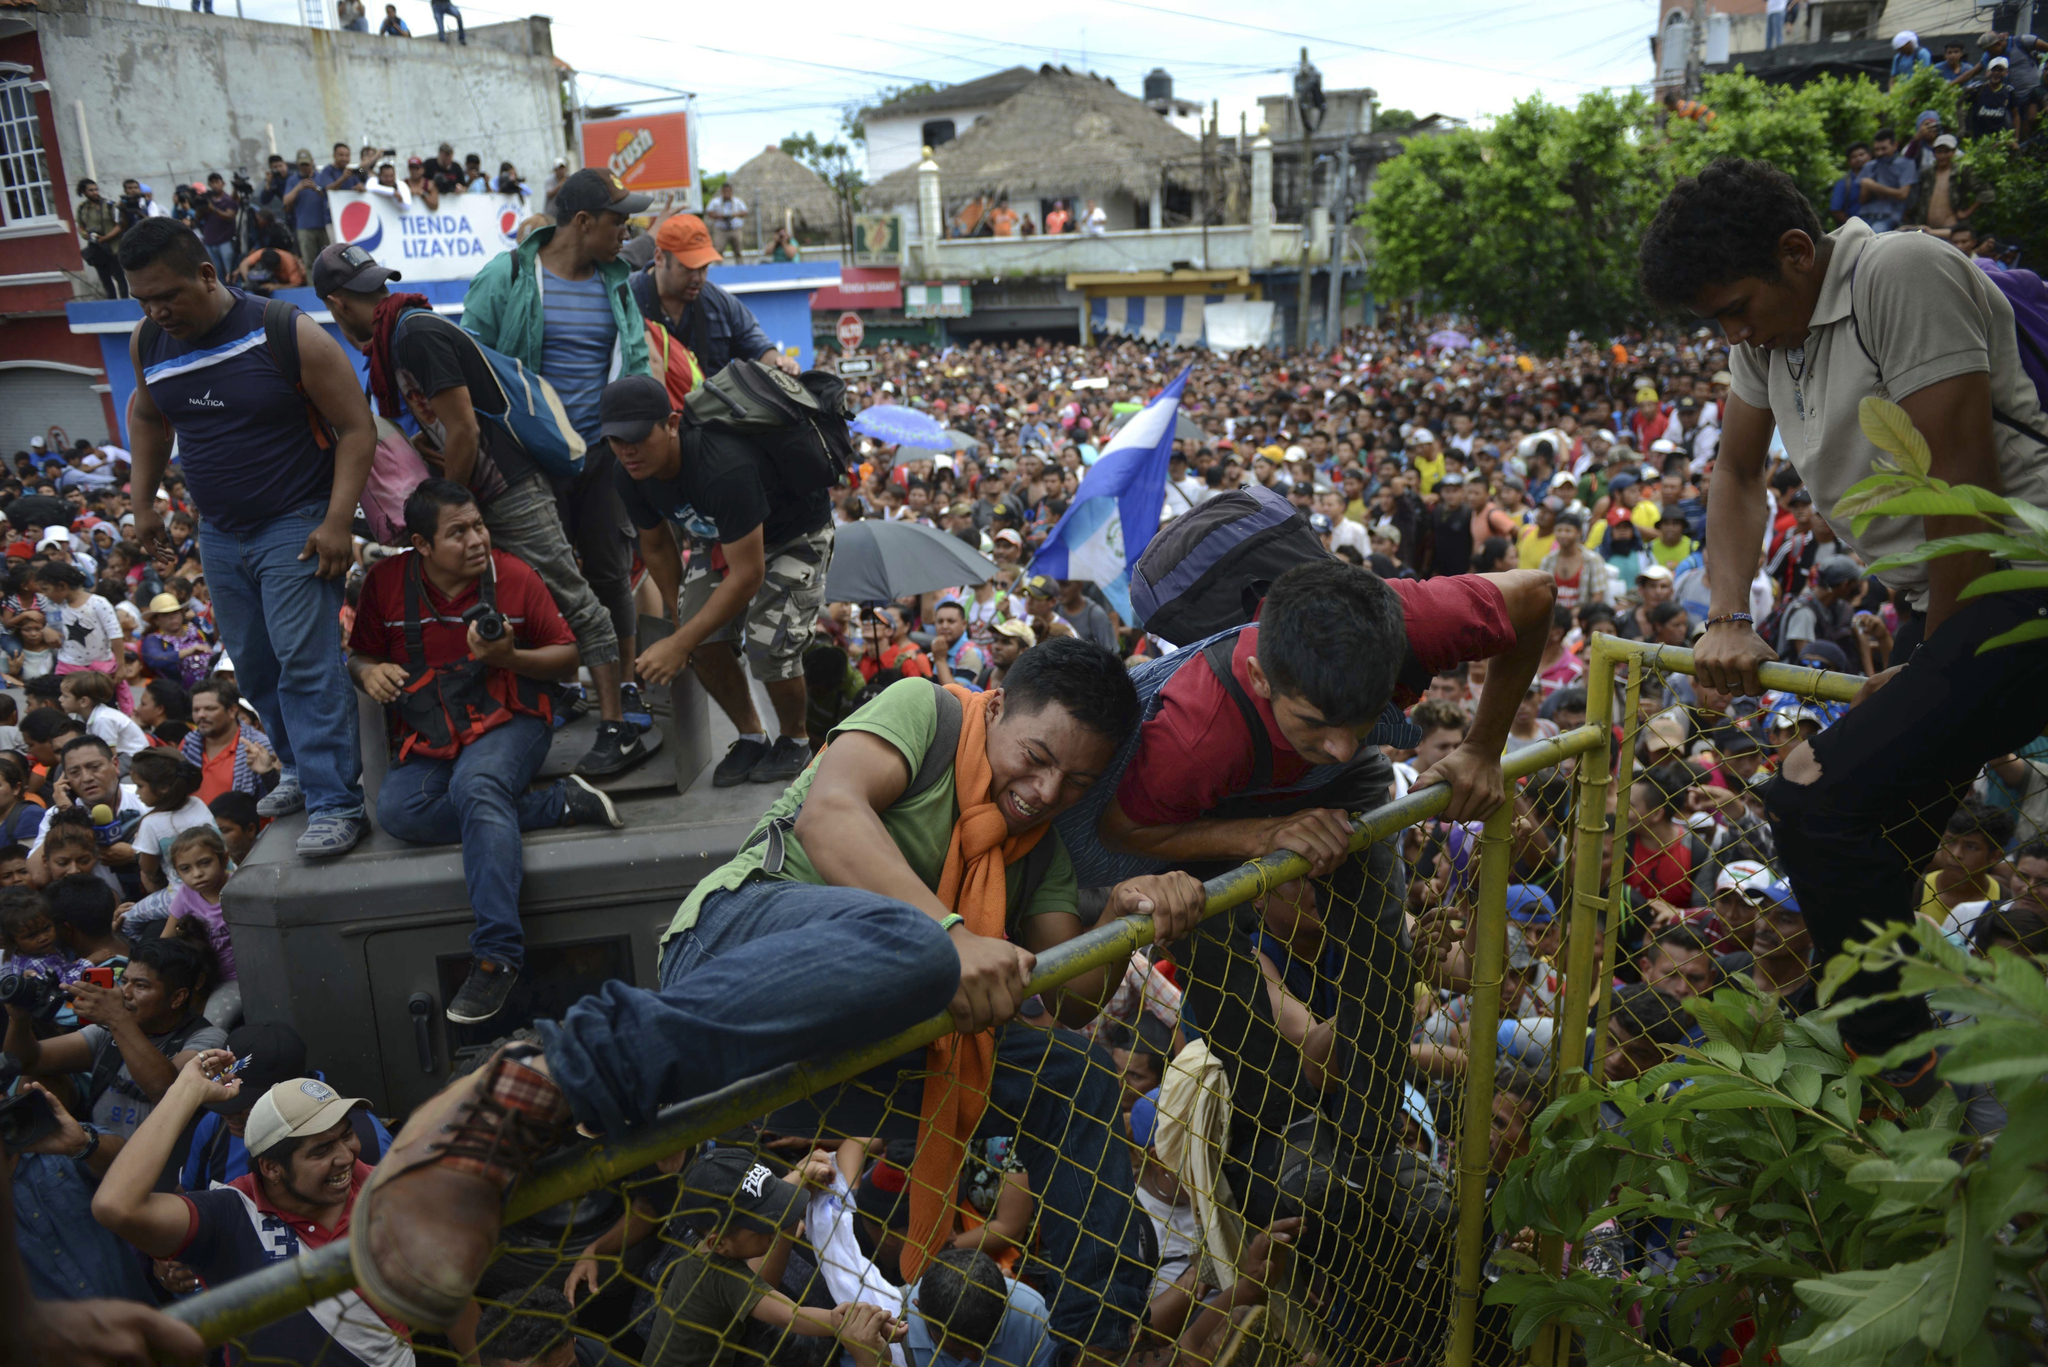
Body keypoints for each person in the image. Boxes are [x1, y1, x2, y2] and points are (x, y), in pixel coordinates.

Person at [349, 639, 1201, 1358]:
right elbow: (831, 816)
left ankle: (1103, 1341)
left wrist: (1124, 918)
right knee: (912, 943)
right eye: (1038, 759)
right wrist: (949, 932)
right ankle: (540, 1079)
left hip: (873, 1031)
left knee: (1073, 1073)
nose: (1047, 792)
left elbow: (1070, 993)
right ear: (1000, 703)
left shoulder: (1037, 848)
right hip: (740, 944)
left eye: (1077, 783)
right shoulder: (927, 711)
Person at [1643, 157, 2048, 1096]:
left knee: (1810, 801)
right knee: (1885, 837)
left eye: (1737, 307)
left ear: (1796, 254)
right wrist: (1731, 617)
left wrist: (1936, 662)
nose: (1733, 333)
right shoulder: (1765, 333)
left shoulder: (1899, 273)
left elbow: (1961, 488)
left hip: (2016, 580)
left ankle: (1905, 1083)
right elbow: (1736, 474)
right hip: (1939, 601)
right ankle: (1898, 1046)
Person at [320, 243, 639, 778]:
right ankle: (562, 697)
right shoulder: (395, 337)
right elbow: (448, 427)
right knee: (511, 598)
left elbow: (464, 427)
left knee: (571, 596)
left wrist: (451, 503)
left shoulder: (413, 334)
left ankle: (617, 726)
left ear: (335, 305)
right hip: (483, 492)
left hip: (508, 487)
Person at [120, 217, 374, 857]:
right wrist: (143, 503)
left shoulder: (285, 331)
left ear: (207, 275)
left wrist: (337, 520)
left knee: (305, 662)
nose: (157, 310)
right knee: (255, 664)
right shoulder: (149, 340)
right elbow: (149, 416)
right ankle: (294, 769)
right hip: (221, 533)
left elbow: (356, 427)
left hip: (296, 521)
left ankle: (337, 803)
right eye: (143, 299)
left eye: (168, 295)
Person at [348, 481, 626, 1023]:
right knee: (399, 811)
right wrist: (369, 671)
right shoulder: (384, 583)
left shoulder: (514, 575)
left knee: (477, 786)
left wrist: (510, 657)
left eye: (478, 525)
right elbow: (358, 656)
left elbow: (569, 658)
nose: (476, 540)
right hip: (433, 732)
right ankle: (558, 805)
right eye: (458, 532)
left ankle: (497, 956)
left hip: (513, 721)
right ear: (422, 545)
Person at [462, 169, 659, 778]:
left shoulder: (618, 280)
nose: (626, 231)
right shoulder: (511, 275)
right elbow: (468, 358)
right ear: (582, 222)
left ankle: (623, 688)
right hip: (530, 454)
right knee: (544, 581)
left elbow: (635, 355)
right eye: (618, 219)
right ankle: (563, 687)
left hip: (602, 450)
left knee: (609, 567)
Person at [89, 1053, 417, 1367]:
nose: (347, 1156)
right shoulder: (229, 1216)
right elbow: (116, 1207)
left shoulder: (385, 1189)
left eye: (347, 1135)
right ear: (272, 1168)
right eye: (322, 1150)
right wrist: (185, 1091)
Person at [604, 375, 832, 787]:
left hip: (794, 533)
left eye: (637, 437)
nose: (626, 450)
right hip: (721, 538)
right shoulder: (629, 473)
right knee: (700, 638)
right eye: (616, 440)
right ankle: (750, 735)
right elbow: (656, 548)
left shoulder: (723, 466)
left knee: (770, 643)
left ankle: (796, 741)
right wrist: (682, 624)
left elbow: (749, 574)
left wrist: (680, 641)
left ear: (672, 424)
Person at [4, 934, 226, 1140]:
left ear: (177, 998)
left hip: (151, 1166)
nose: (124, 992)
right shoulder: (109, 1030)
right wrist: (20, 1020)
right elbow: (26, 1061)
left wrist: (117, 1019)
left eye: (140, 985)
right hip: (93, 1151)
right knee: (35, 1081)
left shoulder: (208, 1038)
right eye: (124, 981)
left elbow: (167, 1091)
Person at [632, 214, 802, 378]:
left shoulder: (720, 303)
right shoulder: (627, 296)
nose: (698, 278)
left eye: (704, 267)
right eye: (688, 268)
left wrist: (781, 364)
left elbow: (757, 346)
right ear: (659, 258)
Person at [180, 677, 275, 803]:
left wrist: (268, 774)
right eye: (196, 710)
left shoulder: (260, 748)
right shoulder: (188, 743)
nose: (200, 715)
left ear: (232, 711)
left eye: (210, 709)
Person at [75, 178, 127, 300]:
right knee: (105, 279)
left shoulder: (109, 205)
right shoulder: (82, 207)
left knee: (120, 277)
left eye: (96, 189)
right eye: (90, 190)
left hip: (113, 247)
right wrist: (84, 234)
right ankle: (112, 303)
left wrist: (106, 237)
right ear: (84, 192)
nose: (94, 192)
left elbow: (120, 225)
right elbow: (80, 225)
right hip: (97, 248)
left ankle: (125, 303)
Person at [1964, 57, 2021, 139]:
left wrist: (2015, 140)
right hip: (1977, 140)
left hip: (1999, 140)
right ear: (1987, 72)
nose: (1996, 73)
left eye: (2000, 70)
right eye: (1993, 70)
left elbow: (2015, 115)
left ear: (2006, 73)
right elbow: (1963, 109)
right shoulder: (1976, 89)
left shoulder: (2008, 91)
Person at [704, 182, 749, 261]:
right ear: (722, 192)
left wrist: (734, 214)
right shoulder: (715, 202)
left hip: (735, 229)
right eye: (725, 191)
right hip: (721, 230)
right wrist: (722, 216)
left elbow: (745, 212)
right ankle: (718, 269)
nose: (727, 193)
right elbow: (709, 213)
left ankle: (740, 268)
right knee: (718, 250)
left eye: (728, 191)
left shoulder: (737, 201)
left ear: (731, 192)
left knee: (738, 251)